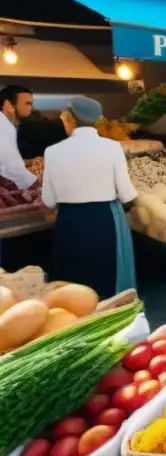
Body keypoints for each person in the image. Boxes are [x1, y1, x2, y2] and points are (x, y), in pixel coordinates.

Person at [42, 97, 137, 298]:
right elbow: (127, 193)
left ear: (70, 119)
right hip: (104, 221)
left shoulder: (52, 152)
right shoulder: (112, 147)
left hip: (69, 222)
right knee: (105, 286)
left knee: (73, 288)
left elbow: (49, 201)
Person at [0, 85, 37, 190]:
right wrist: (36, 184)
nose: (31, 108)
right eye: (27, 104)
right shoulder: (3, 126)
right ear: (8, 105)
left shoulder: (6, 124)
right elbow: (11, 167)